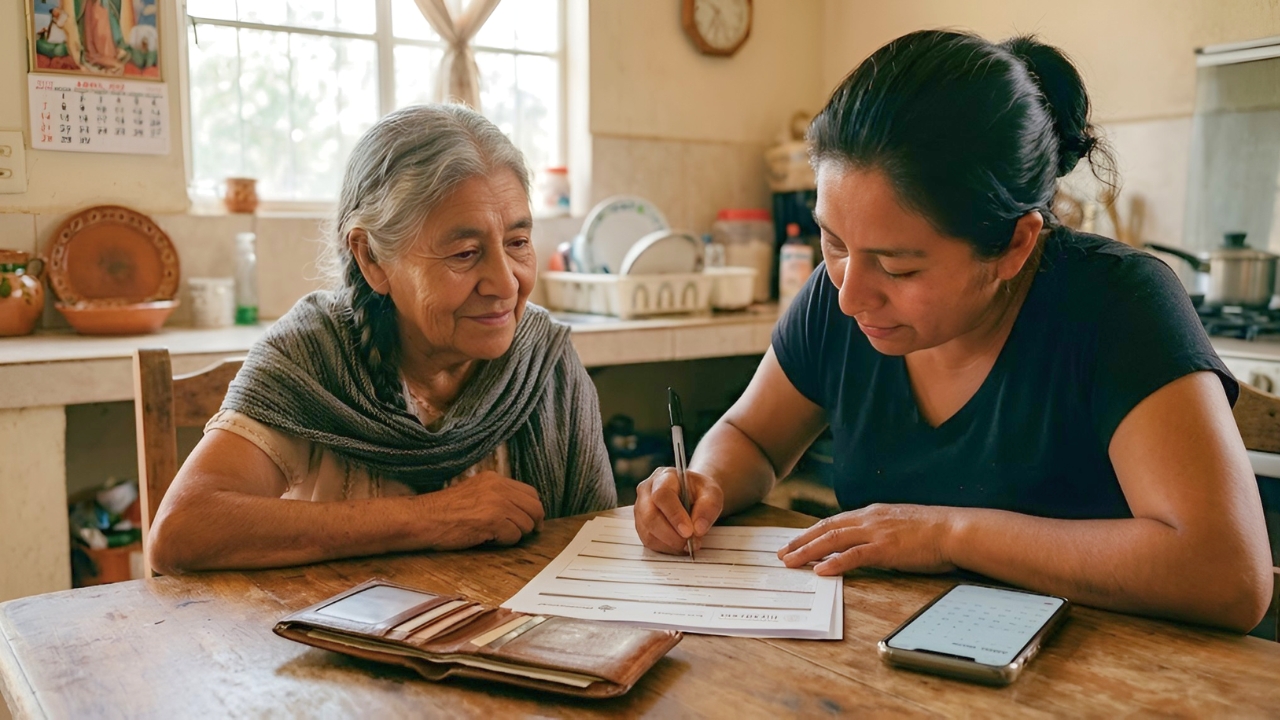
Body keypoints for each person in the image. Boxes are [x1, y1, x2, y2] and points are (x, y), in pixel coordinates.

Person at [634, 30, 1273, 632]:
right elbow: (753, 437)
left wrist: (948, 534)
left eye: (899, 264)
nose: (851, 294)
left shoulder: (1118, 306)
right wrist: (706, 482)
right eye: (833, 241)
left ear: (1014, 245)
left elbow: (1226, 576)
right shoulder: (841, 292)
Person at [149, 105, 616, 574]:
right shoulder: (315, 355)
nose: (506, 283)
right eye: (465, 253)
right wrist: (433, 518)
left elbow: (595, 550)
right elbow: (182, 531)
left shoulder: (543, 359)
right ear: (371, 258)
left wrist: (658, 520)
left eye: (517, 243)